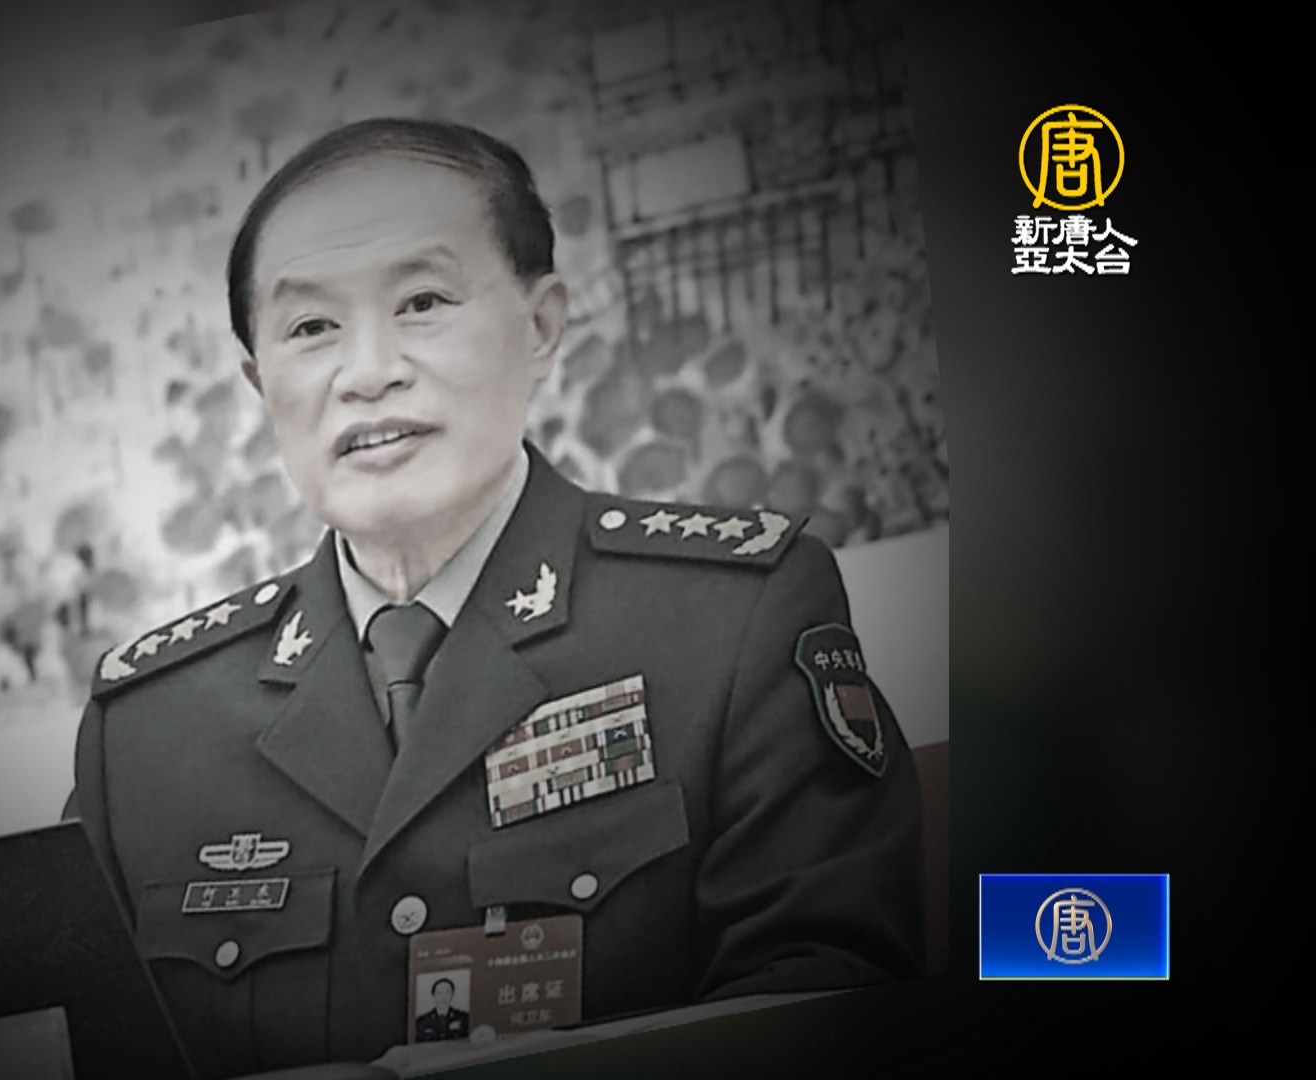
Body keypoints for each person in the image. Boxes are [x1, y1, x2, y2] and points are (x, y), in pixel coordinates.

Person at [64, 117, 923, 1080]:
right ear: (261, 382)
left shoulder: (733, 621)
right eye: (311, 328)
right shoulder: (144, 733)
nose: (368, 373)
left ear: (541, 325)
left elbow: (833, 997)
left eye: (423, 302)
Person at [413, 978, 468, 1043]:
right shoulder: (422, 1021)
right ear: (433, 995)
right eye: (439, 993)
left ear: (452, 994)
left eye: (447, 992)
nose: (443, 997)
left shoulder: (463, 1017)